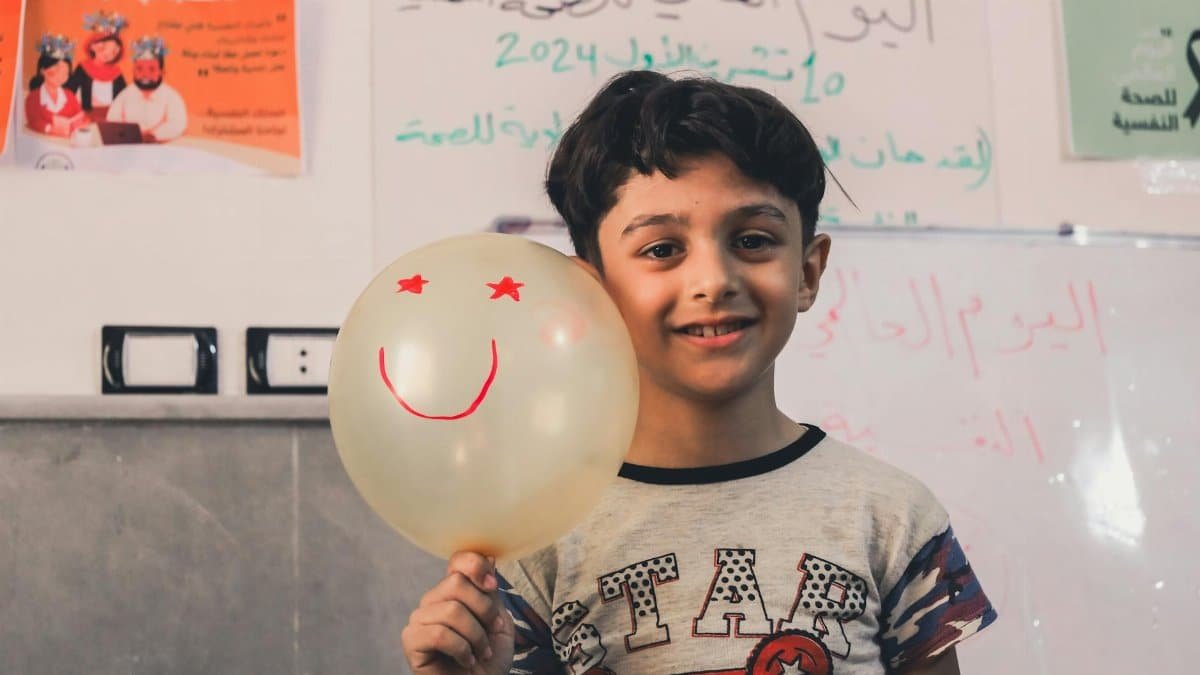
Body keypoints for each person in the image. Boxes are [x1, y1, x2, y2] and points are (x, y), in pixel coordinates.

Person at [401, 71, 997, 675]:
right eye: (662, 249)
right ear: (592, 292)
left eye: (754, 240)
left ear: (808, 273)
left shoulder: (893, 518)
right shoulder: (535, 539)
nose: (713, 280)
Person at [106, 36, 187, 143]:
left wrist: (153, 136)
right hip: (129, 146)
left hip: (162, 148)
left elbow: (178, 124)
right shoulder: (124, 96)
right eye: (139, 69)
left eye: (152, 69)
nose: (145, 75)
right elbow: (112, 121)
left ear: (162, 72)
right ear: (133, 71)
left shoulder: (171, 97)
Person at [66, 10, 129, 121]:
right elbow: (69, 92)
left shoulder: (117, 72)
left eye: (113, 51)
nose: (107, 54)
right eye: (102, 48)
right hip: (87, 115)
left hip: (111, 117)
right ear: (92, 46)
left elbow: (124, 97)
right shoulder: (83, 67)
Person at [24, 35, 88, 138]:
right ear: (43, 70)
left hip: (68, 142)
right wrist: (50, 129)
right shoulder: (33, 97)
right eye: (57, 71)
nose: (60, 77)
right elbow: (33, 121)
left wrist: (80, 122)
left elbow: (81, 115)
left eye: (65, 73)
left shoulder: (69, 95)